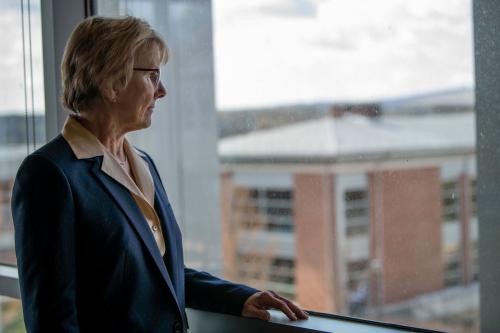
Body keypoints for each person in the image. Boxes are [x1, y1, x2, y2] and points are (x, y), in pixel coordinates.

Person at [11, 16, 308, 333]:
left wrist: (238, 297)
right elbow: (51, 321)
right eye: (152, 76)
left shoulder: (143, 164)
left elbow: (158, 272)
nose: (162, 90)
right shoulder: (49, 175)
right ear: (112, 81)